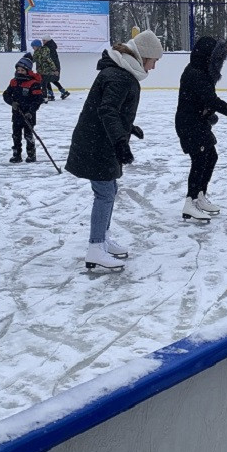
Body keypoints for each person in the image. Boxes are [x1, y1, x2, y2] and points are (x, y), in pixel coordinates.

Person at [64, 29, 164, 271]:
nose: (153, 68)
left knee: (109, 189)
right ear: (143, 56)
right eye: (153, 61)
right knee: (105, 193)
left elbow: (112, 110)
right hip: (98, 144)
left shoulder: (120, 72)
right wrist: (120, 141)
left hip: (98, 140)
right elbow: (107, 110)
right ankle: (96, 247)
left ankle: (103, 240)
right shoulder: (120, 76)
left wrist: (129, 128)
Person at [175, 36, 227, 222]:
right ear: (208, 57)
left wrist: (208, 115)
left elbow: (202, 101)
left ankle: (200, 196)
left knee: (211, 157)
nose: (219, 64)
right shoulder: (196, 74)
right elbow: (213, 101)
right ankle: (190, 202)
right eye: (217, 59)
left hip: (198, 122)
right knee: (200, 159)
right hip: (189, 124)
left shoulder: (202, 72)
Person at [2, 54, 45, 163]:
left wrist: (31, 111)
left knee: (28, 135)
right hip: (17, 114)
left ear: (28, 71)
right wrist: (12, 103)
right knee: (16, 135)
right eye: (18, 70)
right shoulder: (14, 82)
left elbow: (38, 99)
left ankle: (31, 154)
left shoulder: (33, 83)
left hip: (28, 115)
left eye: (22, 70)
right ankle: (17, 154)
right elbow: (6, 94)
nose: (20, 72)